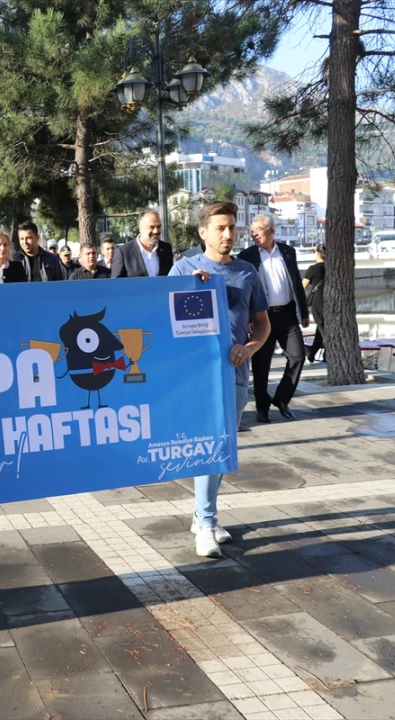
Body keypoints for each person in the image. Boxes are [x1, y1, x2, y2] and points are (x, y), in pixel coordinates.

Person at [169, 202, 270, 559]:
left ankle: (201, 515)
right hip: (199, 377)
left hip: (236, 373)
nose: (228, 235)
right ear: (203, 233)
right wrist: (190, 290)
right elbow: (165, 319)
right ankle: (207, 523)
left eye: (232, 227)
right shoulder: (184, 269)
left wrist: (249, 347)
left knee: (223, 449)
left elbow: (263, 323)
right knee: (208, 448)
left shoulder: (246, 272)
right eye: (221, 228)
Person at [238, 214, 309, 422]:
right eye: (252, 232)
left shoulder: (288, 252)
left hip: (287, 315)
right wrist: (249, 316)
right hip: (262, 317)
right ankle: (262, 408)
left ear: (271, 230)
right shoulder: (246, 256)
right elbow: (245, 289)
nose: (253, 235)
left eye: (257, 231)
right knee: (261, 366)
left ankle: (281, 399)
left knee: (297, 357)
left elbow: (296, 282)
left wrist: (303, 312)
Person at [112, 211, 174, 278]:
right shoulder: (124, 252)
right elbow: (115, 284)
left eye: (159, 226)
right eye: (152, 227)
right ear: (140, 228)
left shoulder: (166, 249)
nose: (156, 231)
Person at [303, 243, 326, 363]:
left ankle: (327, 355)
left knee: (322, 328)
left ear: (318, 253)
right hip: (330, 301)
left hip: (318, 302)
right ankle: (312, 354)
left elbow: (302, 287)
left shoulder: (313, 269)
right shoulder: (332, 267)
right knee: (321, 329)